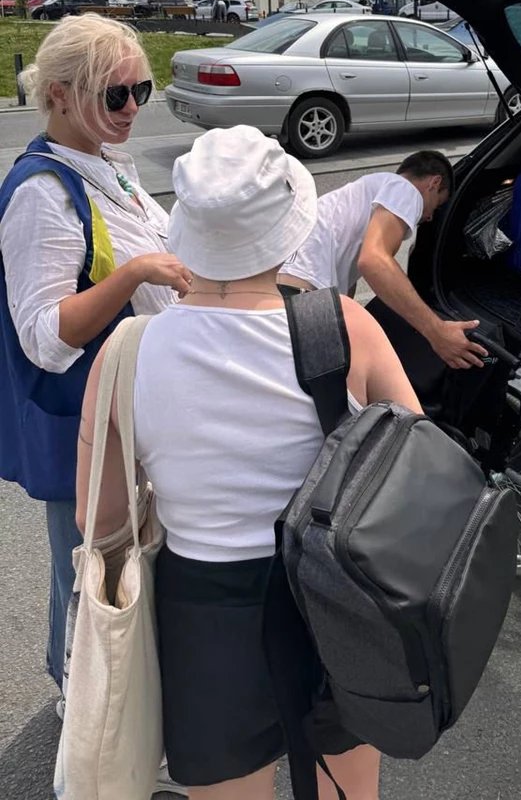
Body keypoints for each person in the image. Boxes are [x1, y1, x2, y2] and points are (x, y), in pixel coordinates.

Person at [76, 126, 424, 800]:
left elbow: (103, 518)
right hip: (336, 597)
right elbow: (415, 465)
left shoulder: (127, 352)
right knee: (347, 787)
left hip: (202, 608)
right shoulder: (343, 324)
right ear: (284, 231)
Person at [0, 14, 190, 722]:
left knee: (110, 568)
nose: (135, 106)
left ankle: (103, 705)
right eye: (115, 95)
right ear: (57, 95)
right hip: (83, 419)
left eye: (140, 88)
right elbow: (45, 337)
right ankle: (85, 718)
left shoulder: (105, 166)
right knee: (89, 575)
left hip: (125, 412)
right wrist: (138, 270)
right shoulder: (42, 194)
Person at [279, 151, 488, 369]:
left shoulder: (367, 193)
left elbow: (350, 278)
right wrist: (436, 332)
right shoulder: (405, 189)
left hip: (288, 290)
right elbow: (373, 260)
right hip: (302, 296)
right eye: (436, 205)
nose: (430, 217)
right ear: (434, 183)